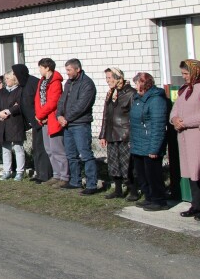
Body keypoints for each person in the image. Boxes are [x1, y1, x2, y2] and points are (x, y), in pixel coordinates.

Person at [56, 58, 99, 195]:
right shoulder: (69, 83)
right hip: (67, 125)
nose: (67, 73)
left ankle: (92, 184)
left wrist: (66, 118)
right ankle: (75, 181)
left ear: (77, 69)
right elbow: (62, 100)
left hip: (80, 124)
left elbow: (82, 106)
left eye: (69, 70)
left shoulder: (87, 84)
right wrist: (59, 115)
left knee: (85, 154)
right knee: (71, 155)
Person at [129, 72, 169, 210]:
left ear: (144, 84)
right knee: (142, 174)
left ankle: (159, 200)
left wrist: (154, 148)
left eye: (137, 83)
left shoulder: (156, 100)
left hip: (150, 143)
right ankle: (149, 197)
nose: (135, 87)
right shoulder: (138, 99)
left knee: (153, 175)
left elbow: (158, 126)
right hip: (138, 143)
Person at [99, 68, 136, 199]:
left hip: (125, 134)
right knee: (114, 164)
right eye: (106, 78)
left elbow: (134, 115)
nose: (107, 80)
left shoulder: (130, 93)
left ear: (117, 78)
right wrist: (103, 135)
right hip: (111, 134)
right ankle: (118, 190)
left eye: (109, 77)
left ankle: (133, 191)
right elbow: (106, 115)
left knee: (127, 164)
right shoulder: (111, 93)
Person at [170, 59, 200, 220]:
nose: (184, 77)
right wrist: (174, 119)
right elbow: (174, 110)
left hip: (196, 137)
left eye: (186, 73)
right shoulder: (184, 90)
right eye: (182, 74)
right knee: (191, 174)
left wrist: (185, 122)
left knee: (198, 172)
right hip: (184, 137)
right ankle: (195, 205)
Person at [35, 58, 68, 187]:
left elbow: (53, 102)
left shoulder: (55, 82)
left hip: (52, 119)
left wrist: (41, 114)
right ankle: (56, 174)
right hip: (43, 119)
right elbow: (38, 99)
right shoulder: (42, 81)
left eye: (41, 67)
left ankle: (64, 176)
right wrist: (39, 115)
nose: (39, 70)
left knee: (57, 150)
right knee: (49, 149)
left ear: (47, 68)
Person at [14, 64, 49, 184]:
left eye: (15, 74)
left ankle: (44, 175)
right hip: (34, 122)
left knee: (42, 148)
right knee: (36, 148)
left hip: (40, 120)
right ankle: (39, 173)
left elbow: (42, 100)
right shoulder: (23, 85)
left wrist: (40, 116)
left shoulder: (34, 82)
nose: (14, 77)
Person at [0, 71, 26, 181]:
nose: (5, 81)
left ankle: (20, 171)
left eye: (8, 78)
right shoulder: (2, 92)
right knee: (5, 148)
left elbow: (19, 105)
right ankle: (7, 170)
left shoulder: (19, 90)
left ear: (14, 79)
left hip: (15, 122)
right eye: (5, 79)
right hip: (3, 122)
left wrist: (7, 111)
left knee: (18, 147)